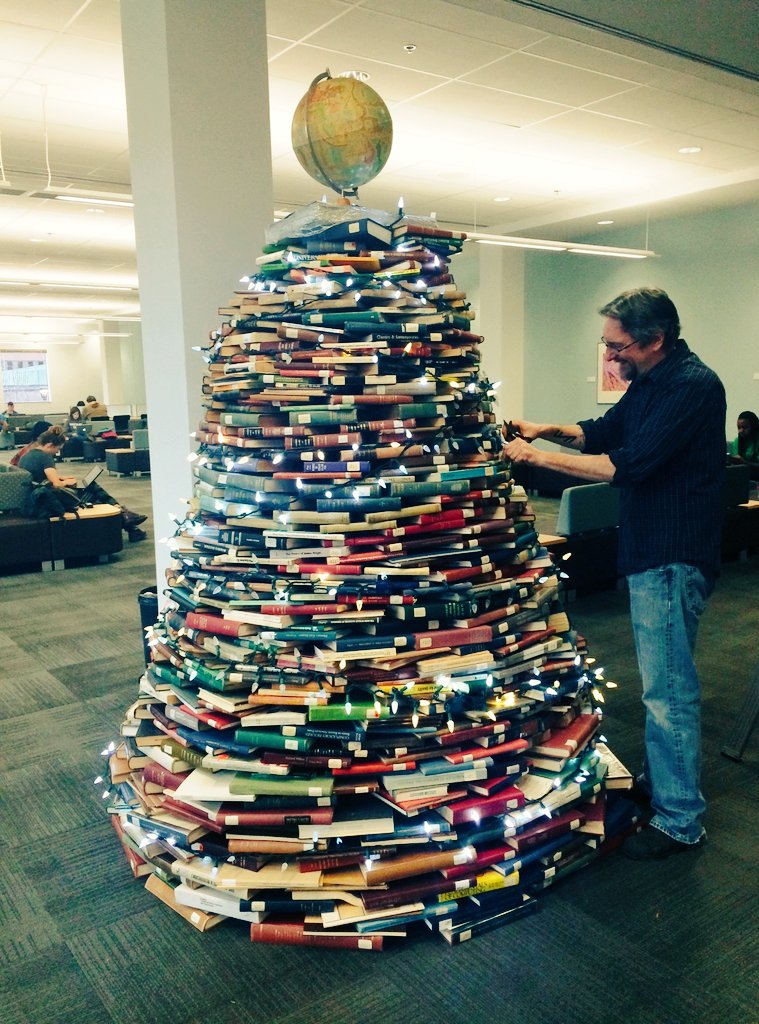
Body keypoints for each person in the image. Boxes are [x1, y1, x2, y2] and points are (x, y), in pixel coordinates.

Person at [504, 287, 726, 860]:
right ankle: (662, 788)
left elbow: (621, 466)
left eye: (616, 345)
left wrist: (532, 459)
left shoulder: (691, 387)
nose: (609, 357)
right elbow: (601, 432)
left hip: (671, 553)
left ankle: (680, 819)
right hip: (653, 551)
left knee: (668, 691)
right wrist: (539, 428)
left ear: (653, 340)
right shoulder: (653, 382)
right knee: (665, 684)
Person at [18, 425, 148, 541]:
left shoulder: (28, 455)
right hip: (51, 501)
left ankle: (127, 521)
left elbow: (42, 478)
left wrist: (64, 479)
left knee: (92, 489)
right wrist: (66, 482)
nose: (57, 452)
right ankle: (125, 516)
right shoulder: (45, 457)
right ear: (50, 445)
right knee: (94, 492)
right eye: (58, 449)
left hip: (38, 498)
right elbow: (56, 485)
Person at [728, 410, 759, 477]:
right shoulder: (737, 441)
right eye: (739, 428)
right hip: (741, 472)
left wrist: (744, 462)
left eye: (745, 427)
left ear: (754, 427)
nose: (741, 431)